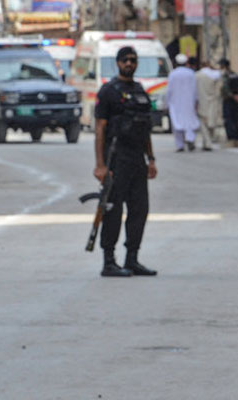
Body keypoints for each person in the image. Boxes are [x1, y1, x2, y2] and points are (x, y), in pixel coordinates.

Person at [93, 46, 157, 278]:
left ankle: (132, 259)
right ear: (118, 63)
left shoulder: (140, 91)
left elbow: (146, 129)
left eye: (133, 60)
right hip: (116, 157)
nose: (130, 64)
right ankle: (109, 261)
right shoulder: (108, 91)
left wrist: (151, 159)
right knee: (112, 209)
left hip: (137, 159)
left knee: (139, 210)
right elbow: (100, 129)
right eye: (125, 60)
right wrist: (100, 165)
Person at [166, 54, 201, 152]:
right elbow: (195, 89)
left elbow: (169, 90)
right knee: (189, 121)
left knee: (176, 123)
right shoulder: (191, 73)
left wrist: (166, 103)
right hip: (188, 102)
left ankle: (180, 145)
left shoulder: (172, 74)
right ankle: (190, 139)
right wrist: (196, 100)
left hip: (175, 102)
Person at [195, 61, 222, 151]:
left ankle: (207, 142)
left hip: (202, 101)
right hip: (213, 101)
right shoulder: (216, 75)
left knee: (203, 123)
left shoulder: (197, 76)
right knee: (211, 123)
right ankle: (207, 142)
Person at [219, 58, 238, 147]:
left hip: (229, 100)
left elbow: (225, 89)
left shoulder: (225, 75)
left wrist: (232, 96)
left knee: (228, 120)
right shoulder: (235, 75)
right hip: (237, 100)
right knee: (237, 119)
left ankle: (231, 139)